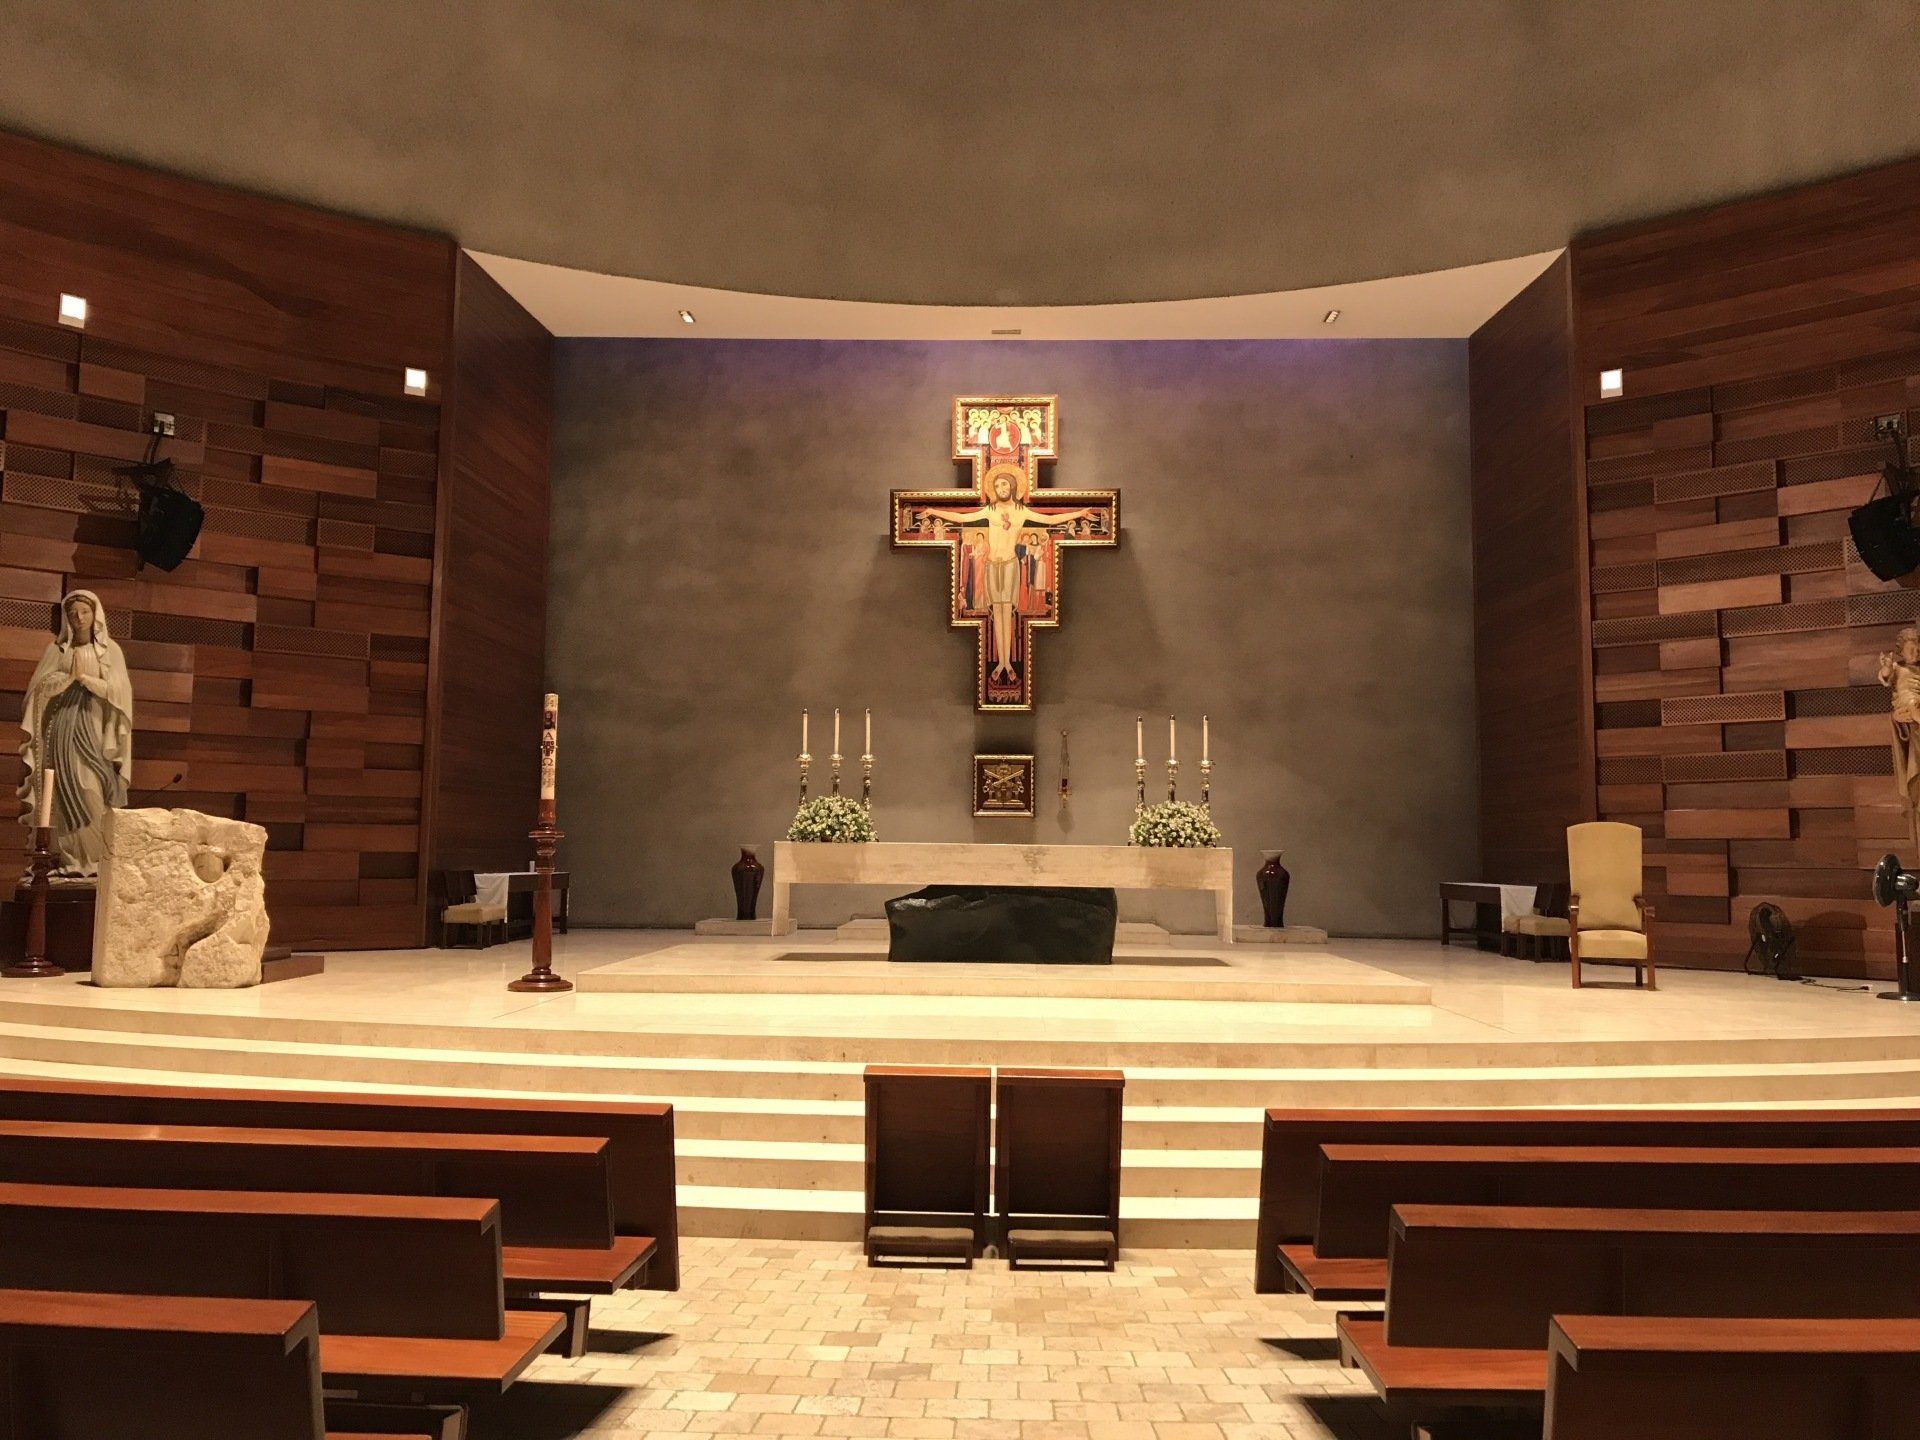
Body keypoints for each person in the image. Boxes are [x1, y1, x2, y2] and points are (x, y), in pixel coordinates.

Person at [920, 465, 1099, 684]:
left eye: (1004, 483)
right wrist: (933, 511)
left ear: (1013, 486)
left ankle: (1006, 662)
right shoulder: (990, 511)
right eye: (996, 485)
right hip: (991, 566)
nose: (1000, 488)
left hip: (1010, 566)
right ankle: (1002, 662)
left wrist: (1079, 513)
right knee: (997, 614)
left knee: (1008, 614)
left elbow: (1051, 520)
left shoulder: (1021, 511)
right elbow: (960, 518)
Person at [17, 590, 134, 874]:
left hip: (94, 733)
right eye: (73, 614)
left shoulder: (110, 652)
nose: (79, 618)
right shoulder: (57, 652)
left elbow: (120, 693)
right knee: (64, 795)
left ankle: (96, 862)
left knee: (92, 790)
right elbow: (37, 691)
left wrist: (85, 680)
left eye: (84, 612)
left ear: (96, 615)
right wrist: (63, 681)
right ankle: (70, 861)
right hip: (61, 733)